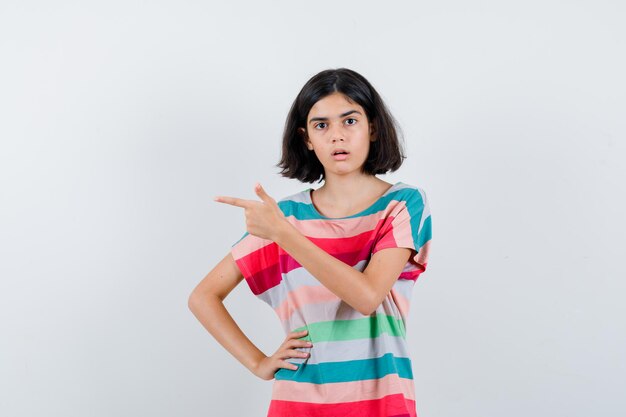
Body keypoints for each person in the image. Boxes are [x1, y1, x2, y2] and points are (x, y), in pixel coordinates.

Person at [188, 67, 433, 417]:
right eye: (321, 125)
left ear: (373, 128)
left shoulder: (403, 203)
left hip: (381, 404)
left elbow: (366, 296)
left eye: (350, 121)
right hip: (297, 403)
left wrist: (284, 235)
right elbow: (203, 297)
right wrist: (258, 363)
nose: (337, 136)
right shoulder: (285, 216)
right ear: (306, 138)